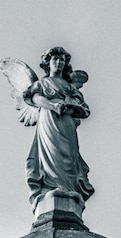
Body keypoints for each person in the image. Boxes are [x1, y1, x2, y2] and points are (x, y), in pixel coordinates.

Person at [23, 46, 94, 209]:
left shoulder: (69, 87)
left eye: (62, 60)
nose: (59, 63)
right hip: (48, 119)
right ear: (48, 63)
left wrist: (70, 107)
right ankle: (51, 187)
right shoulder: (42, 83)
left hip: (66, 123)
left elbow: (83, 108)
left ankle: (69, 188)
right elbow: (34, 97)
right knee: (51, 152)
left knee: (68, 155)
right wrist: (52, 105)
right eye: (55, 59)